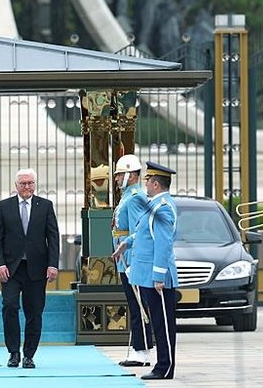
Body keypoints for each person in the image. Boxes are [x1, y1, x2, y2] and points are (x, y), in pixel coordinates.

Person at [113, 161, 178, 380]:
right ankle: (162, 365)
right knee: (158, 322)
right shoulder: (154, 205)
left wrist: (159, 276)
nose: (146, 184)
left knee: (163, 324)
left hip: (156, 276)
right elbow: (143, 232)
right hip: (147, 274)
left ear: (156, 184)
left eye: (148, 181)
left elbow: (163, 244)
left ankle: (165, 367)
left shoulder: (163, 208)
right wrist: (127, 243)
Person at [0, 168, 60, 369]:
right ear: (16, 185)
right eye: (23, 183)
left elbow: (53, 237)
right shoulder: (4, 206)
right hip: (11, 269)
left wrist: (53, 264)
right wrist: (0, 264)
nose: (26, 187)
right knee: (10, 306)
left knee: (34, 312)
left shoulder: (45, 206)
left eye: (30, 183)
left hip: (36, 269)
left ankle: (29, 354)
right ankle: (13, 352)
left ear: (35, 185)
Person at [111, 154, 153, 367]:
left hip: (131, 259)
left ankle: (142, 351)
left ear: (131, 175)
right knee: (134, 304)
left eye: (120, 174)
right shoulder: (128, 195)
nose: (117, 178)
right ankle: (137, 349)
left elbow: (139, 230)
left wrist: (132, 260)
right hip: (124, 259)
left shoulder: (135, 197)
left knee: (139, 306)